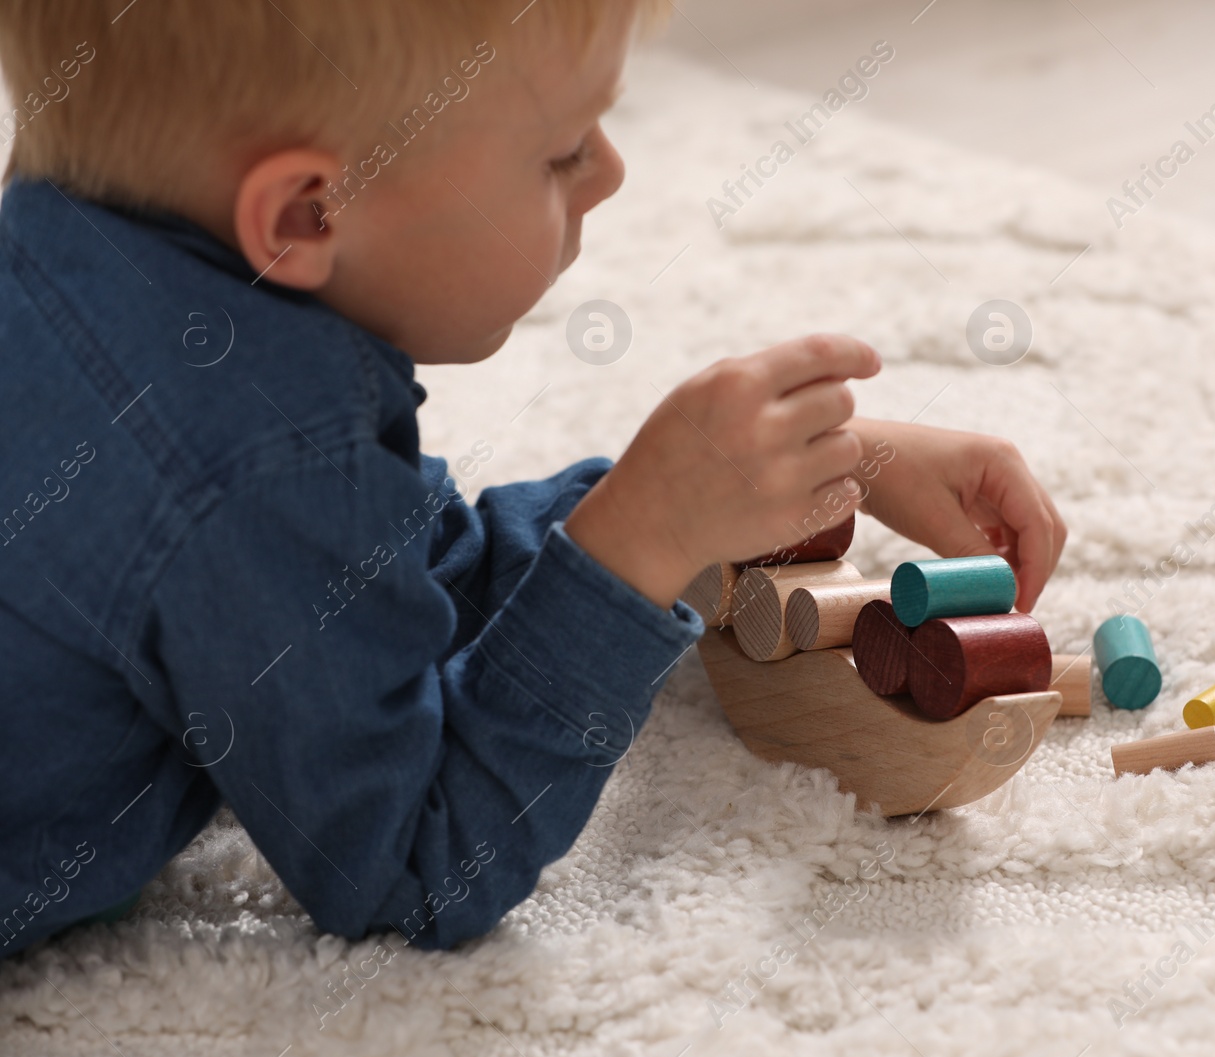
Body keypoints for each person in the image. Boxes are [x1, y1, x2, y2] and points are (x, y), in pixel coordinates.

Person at [0, 0, 1065, 956]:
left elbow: (405, 580)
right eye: (560, 152)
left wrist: (791, 469)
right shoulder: (253, 456)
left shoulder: (74, 233)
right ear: (308, 216)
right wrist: (641, 537)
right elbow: (413, 862)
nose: (611, 172)